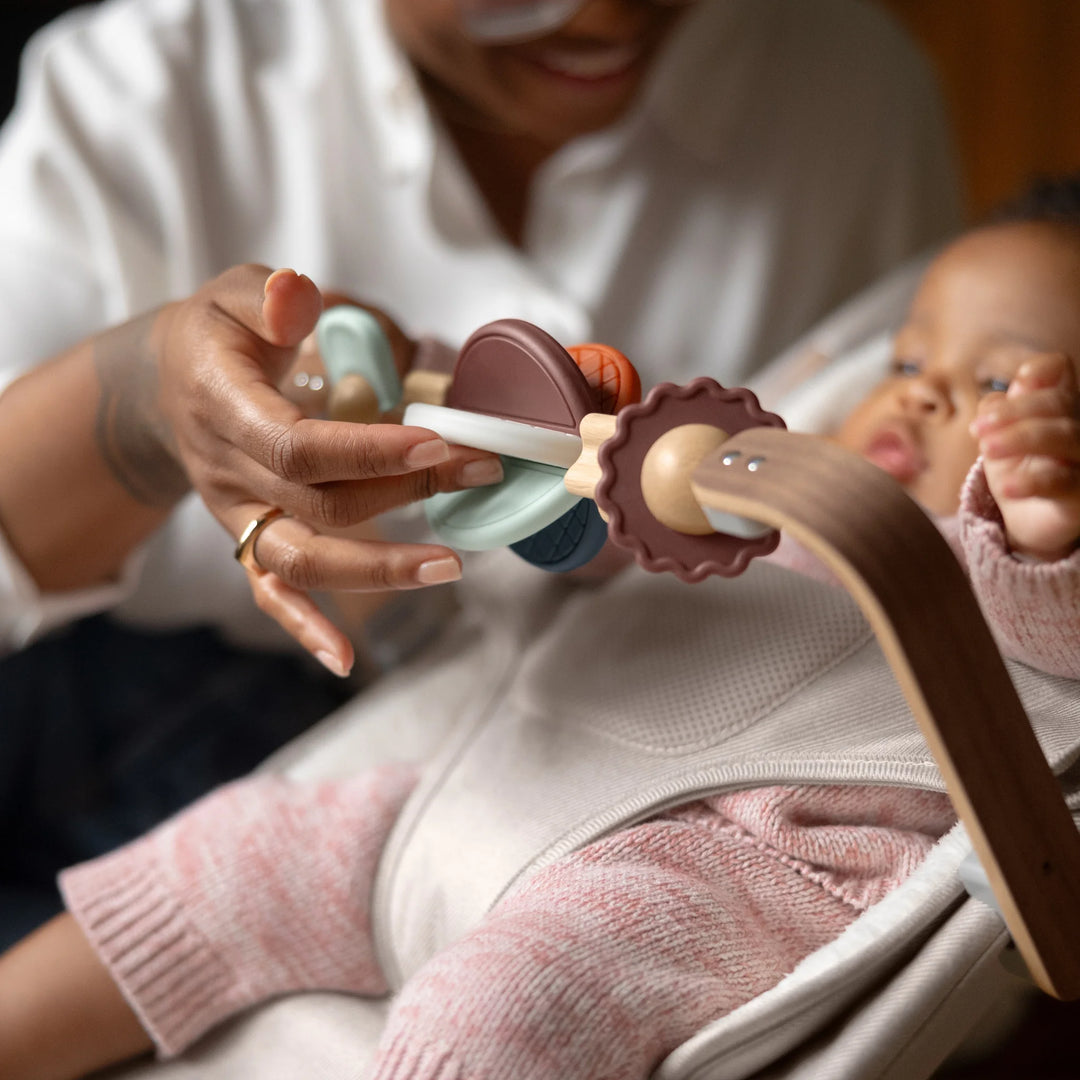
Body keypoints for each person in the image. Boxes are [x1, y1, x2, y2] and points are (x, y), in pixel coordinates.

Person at [2, 179, 1079, 1080]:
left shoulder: (1012, 576)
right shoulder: (770, 492)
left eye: (995, 382)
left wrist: (1039, 526)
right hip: (502, 783)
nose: (925, 394)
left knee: (507, 1009)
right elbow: (593, 560)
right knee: (234, 854)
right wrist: (580, 469)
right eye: (904, 360)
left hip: (728, 864)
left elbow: (1052, 643)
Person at [0, 0, 962, 942]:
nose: (606, 19)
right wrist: (140, 402)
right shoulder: (139, 87)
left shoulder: (850, 82)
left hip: (544, 762)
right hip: (84, 700)